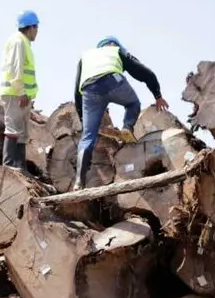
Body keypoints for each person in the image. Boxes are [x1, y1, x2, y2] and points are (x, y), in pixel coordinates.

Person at [71, 36, 169, 190]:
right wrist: (157, 95)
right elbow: (144, 72)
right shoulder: (116, 51)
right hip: (112, 80)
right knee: (133, 103)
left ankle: (78, 181)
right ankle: (127, 127)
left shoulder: (85, 57)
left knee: (88, 136)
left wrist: (83, 119)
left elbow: (77, 92)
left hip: (89, 91)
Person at [0, 9, 39, 172]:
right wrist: (21, 91)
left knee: (22, 133)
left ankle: (20, 167)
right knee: (13, 129)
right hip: (15, 93)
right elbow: (16, 68)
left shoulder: (24, 43)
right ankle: (8, 166)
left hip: (23, 94)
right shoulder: (18, 41)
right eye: (36, 28)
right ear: (30, 27)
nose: (37, 32)